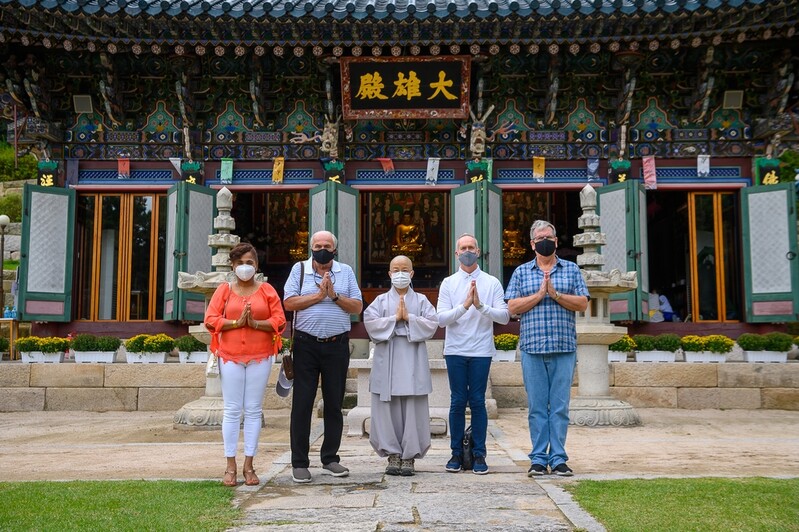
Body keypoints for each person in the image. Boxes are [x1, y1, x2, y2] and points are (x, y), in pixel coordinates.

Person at [505, 220, 589, 477]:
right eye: (540, 237)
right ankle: (539, 458)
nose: (545, 241)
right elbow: (511, 308)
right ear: (532, 244)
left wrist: (556, 295)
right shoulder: (521, 272)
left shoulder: (571, 270)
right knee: (537, 407)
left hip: (564, 347)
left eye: (549, 237)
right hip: (532, 347)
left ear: (556, 241)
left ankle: (559, 457)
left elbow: (583, 303)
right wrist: (539, 295)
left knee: (560, 406)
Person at [204, 242, 287, 487]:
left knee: (253, 410)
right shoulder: (224, 290)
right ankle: (230, 465)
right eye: (240, 263)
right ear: (232, 265)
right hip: (229, 356)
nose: (244, 267)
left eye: (249, 263)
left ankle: (249, 465)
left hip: (260, 356)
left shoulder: (267, 290)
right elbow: (210, 319)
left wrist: (255, 324)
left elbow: (279, 321)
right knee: (231, 410)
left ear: (256, 265)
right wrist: (235, 323)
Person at [283, 230, 363, 483]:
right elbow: (288, 303)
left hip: (336, 346)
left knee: (334, 403)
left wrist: (334, 296)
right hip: (306, 346)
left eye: (327, 245)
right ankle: (299, 462)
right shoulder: (300, 270)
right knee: (303, 404)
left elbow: (358, 306)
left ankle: (330, 458)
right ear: (311, 248)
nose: (322, 249)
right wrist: (318, 296)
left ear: (334, 249)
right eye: (317, 245)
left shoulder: (346, 271)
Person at [437, 234, 510, 475]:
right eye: (463, 248)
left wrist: (480, 306)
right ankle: (456, 453)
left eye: (471, 247)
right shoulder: (448, 283)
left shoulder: (491, 282)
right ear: (456, 253)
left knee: (478, 401)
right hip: (456, 349)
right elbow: (441, 319)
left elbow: (504, 316)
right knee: (458, 401)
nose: (467, 251)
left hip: (481, 350)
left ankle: (479, 453)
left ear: (478, 252)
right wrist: (465, 306)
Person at [364, 255, 438, 476]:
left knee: (413, 407)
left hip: (412, 356)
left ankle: (410, 456)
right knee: (387, 408)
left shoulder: (423, 300)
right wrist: (395, 319)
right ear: (389, 274)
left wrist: (410, 318)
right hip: (387, 357)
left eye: (404, 269)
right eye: (395, 270)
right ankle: (392, 454)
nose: (400, 273)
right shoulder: (379, 301)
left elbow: (432, 324)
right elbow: (370, 323)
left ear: (412, 273)